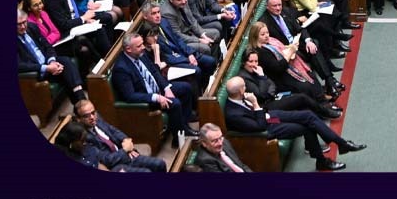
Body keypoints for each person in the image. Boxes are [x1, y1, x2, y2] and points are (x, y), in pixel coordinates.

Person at [223, 76, 365, 171]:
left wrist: (260, 109)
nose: (246, 88)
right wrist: (255, 104)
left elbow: (259, 113)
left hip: (269, 117)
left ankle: (340, 144)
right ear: (240, 91)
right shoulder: (233, 114)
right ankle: (326, 157)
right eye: (244, 86)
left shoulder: (240, 97)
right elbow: (259, 127)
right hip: (266, 129)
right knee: (306, 127)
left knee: (307, 115)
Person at [111, 33, 198, 148]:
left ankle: (183, 127)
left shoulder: (140, 55)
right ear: (128, 49)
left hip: (157, 90)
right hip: (146, 100)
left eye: (142, 44)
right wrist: (156, 97)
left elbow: (155, 71)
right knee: (175, 103)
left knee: (185, 88)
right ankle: (177, 139)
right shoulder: (121, 69)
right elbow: (130, 96)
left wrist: (166, 88)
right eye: (139, 46)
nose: (143, 47)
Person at [74, 99, 166, 172]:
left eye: (93, 112)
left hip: (124, 153)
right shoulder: (83, 138)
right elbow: (106, 161)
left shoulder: (97, 119)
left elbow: (114, 131)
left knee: (160, 164)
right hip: (114, 166)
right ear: (78, 119)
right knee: (146, 172)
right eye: (86, 116)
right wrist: (125, 150)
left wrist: (126, 140)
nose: (92, 117)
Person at [17, 8, 87, 103]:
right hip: (35, 72)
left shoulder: (32, 27)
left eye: (24, 22)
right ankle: (82, 104)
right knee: (65, 73)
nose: (23, 26)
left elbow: (47, 46)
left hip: (48, 63)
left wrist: (52, 61)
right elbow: (20, 65)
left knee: (66, 62)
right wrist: (46, 68)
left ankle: (80, 101)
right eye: (18, 24)